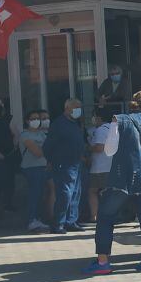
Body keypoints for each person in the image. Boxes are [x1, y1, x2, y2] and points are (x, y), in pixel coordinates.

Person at [83, 90, 141, 275]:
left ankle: (103, 262)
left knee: (105, 216)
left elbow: (109, 150)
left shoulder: (119, 120)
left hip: (122, 177)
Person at [43, 98, 87, 234]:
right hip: (63, 163)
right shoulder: (59, 124)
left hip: (76, 163)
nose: (78, 110)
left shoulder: (74, 124)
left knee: (75, 193)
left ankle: (71, 221)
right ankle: (58, 223)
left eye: (79, 108)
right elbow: (48, 145)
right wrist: (51, 160)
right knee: (65, 193)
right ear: (67, 108)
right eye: (75, 108)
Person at [20, 110, 50, 233]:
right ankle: (31, 220)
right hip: (31, 168)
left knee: (40, 194)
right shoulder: (25, 135)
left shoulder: (42, 134)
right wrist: (46, 149)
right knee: (35, 194)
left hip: (43, 167)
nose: (36, 121)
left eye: (38, 118)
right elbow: (37, 152)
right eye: (33, 119)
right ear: (27, 121)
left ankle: (38, 219)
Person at [88, 108, 115, 223]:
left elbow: (99, 147)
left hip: (99, 167)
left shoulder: (100, 130)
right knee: (109, 192)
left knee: (93, 191)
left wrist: (88, 148)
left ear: (99, 118)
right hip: (111, 165)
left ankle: (94, 216)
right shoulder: (113, 129)